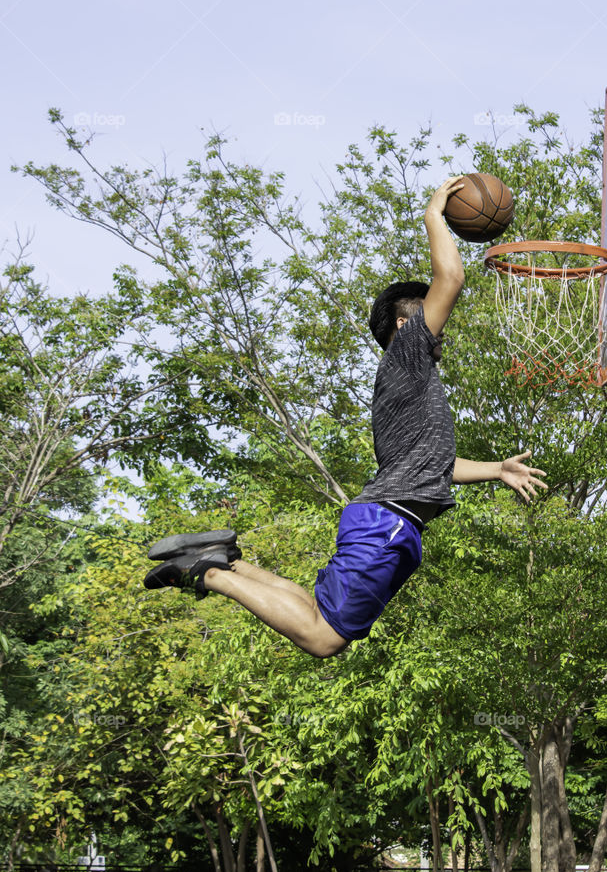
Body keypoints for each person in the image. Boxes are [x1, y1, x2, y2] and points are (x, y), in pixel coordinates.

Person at [144, 176, 547, 657]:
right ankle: (207, 573)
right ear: (407, 324)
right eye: (431, 318)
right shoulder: (407, 356)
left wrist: (497, 470)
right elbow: (452, 279)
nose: (442, 329)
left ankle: (225, 562)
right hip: (388, 522)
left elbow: (437, 466)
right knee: (322, 637)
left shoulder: (411, 382)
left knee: (321, 616)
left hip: (388, 521)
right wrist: (433, 217)